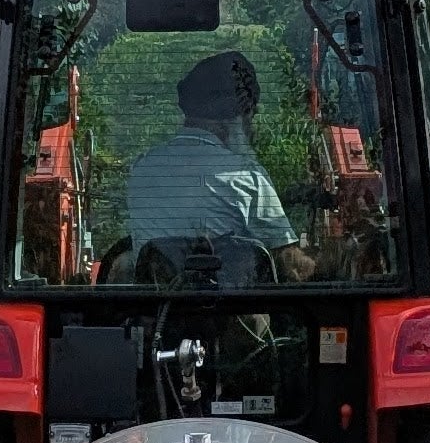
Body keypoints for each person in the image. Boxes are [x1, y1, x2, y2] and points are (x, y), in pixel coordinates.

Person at [124, 51, 318, 283]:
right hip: (231, 316)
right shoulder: (246, 175)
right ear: (240, 116)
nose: (251, 129)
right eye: (250, 117)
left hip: (156, 316)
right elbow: (288, 263)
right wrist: (332, 261)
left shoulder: (142, 170)